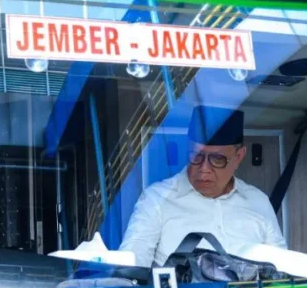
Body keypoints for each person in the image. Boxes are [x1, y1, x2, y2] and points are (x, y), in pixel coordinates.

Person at [120, 105, 286, 268]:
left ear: (238, 157)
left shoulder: (258, 202)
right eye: (196, 156)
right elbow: (130, 267)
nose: (204, 169)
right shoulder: (156, 200)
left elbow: (283, 269)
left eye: (217, 159)